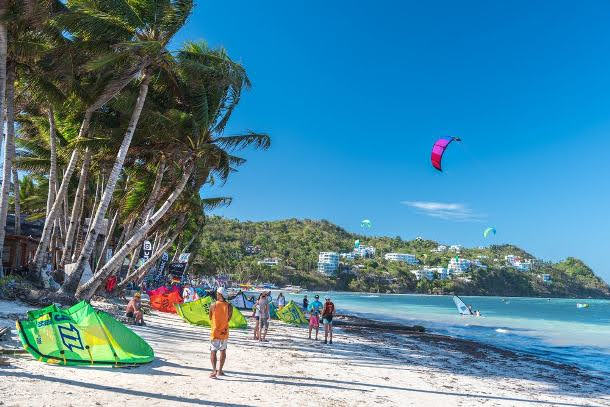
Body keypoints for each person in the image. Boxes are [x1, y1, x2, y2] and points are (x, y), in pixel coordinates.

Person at [209, 287, 233, 379]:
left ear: (219, 294)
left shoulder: (213, 305)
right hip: (224, 331)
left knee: (213, 351)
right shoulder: (229, 306)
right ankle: (220, 370)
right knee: (223, 351)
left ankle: (214, 370)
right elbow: (229, 318)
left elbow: (210, 317)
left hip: (215, 331)